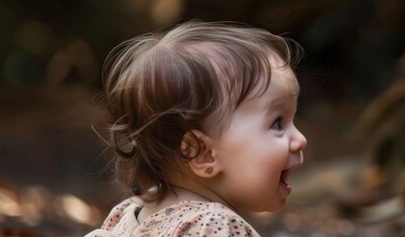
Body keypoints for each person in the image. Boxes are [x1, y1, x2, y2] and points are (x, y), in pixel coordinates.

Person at [86, 20, 306, 237]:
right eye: (277, 123)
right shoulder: (215, 225)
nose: (300, 139)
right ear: (201, 153)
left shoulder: (129, 214)